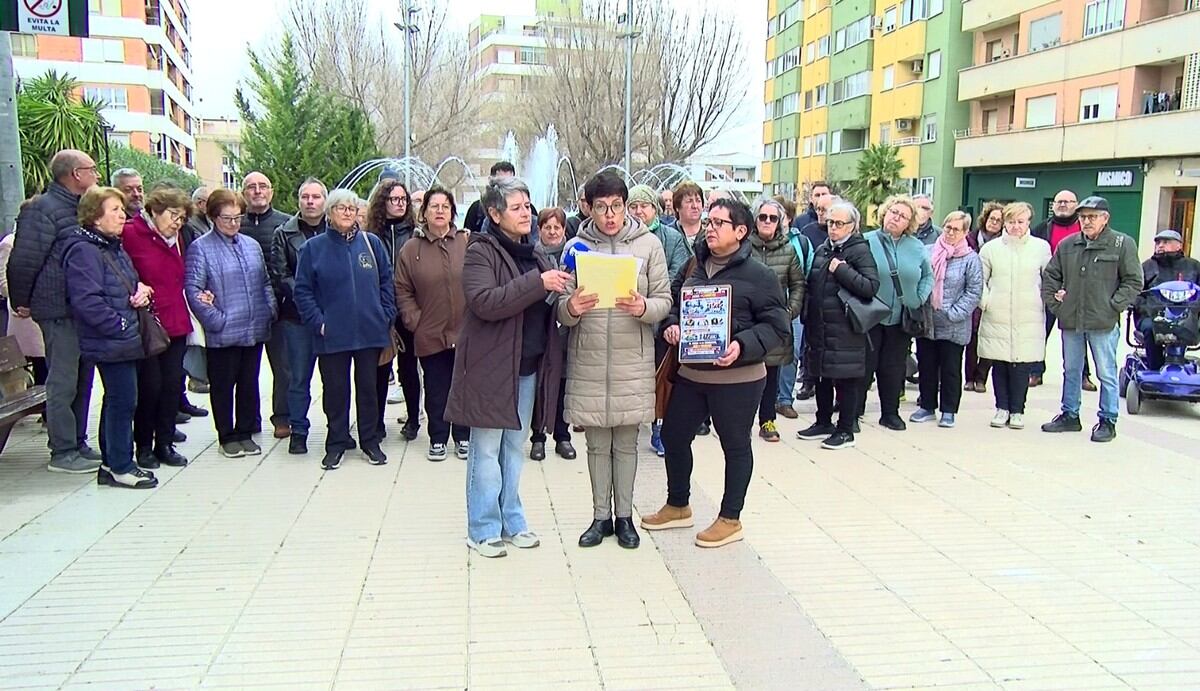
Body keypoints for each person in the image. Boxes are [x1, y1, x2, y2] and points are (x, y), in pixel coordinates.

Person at [641, 198, 790, 548]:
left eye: (720, 223)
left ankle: (730, 518)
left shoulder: (760, 275)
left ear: (741, 232)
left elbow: (778, 326)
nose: (710, 227)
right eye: (709, 221)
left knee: (735, 446)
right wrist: (672, 325)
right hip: (693, 376)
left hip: (738, 380)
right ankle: (678, 504)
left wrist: (741, 345)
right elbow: (674, 305)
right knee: (674, 437)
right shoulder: (695, 267)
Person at [446, 176, 572, 558]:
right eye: (516, 207)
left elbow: (541, 303)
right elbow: (486, 301)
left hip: (526, 366)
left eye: (527, 206)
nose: (526, 214)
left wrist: (568, 301)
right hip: (489, 366)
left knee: (514, 447)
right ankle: (482, 528)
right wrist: (539, 283)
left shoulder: (533, 253)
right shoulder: (480, 251)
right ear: (495, 213)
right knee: (485, 448)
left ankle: (512, 519)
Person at [558, 171, 672, 550]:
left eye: (617, 206)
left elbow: (665, 301)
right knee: (595, 445)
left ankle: (625, 517)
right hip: (589, 357)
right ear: (589, 208)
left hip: (631, 359)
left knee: (625, 444)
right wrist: (571, 308)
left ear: (627, 206)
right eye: (602, 207)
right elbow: (560, 306)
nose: (610, 215)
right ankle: (599, 517)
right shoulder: (575, 246)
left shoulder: (648, 245)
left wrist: (643, 307)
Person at [6, 149, 100, 474]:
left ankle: (77, 441)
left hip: (81, 309)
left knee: (83, 380)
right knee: (63, 380)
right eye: (92, 169)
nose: (97, 175)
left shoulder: (81, 208)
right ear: (75, 174)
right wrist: (21, 299)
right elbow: (23, 259)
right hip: (57, 308)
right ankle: (62, 450)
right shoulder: (43, 209)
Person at [294, 189, 396, 470]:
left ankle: (370, 441)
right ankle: (337, 442)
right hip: (332, 334)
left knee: (369, 389)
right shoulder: (314, 248)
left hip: (369, 331)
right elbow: (302, 291)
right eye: (341, 208)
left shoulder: (371, 243)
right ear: (329, 213)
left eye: (352, 208)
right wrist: (319, 321)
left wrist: (385, 315)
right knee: (336, 390)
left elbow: (387, 282)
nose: (348, 213)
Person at [62, 187, 156, 489]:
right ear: (94, 215)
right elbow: (87, 300)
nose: (122, 215)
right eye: (114, 209)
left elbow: (121, 286)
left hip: (122, 338)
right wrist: (120, 326)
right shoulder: (84, 250)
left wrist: (140, 292)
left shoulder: (111, 246)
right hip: (111, 339)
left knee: (119, 400)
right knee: (123, 402)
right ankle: (121, 466)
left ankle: (110, 464)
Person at [1041, 196, 1141, 442]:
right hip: (1072, 319)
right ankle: (1069, 415)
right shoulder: (1068, 245)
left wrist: (1113, 306)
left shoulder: (1121, 244)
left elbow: (1134, 281)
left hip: (1103, 322)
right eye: (1083, 217)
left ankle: (1108, 420)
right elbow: (1051, 276)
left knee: (1105, 372)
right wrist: (1057, 306)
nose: (1086, 221)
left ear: (1105, 218)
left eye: (1092, 217)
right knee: (1071, 370)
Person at [185, 188, 277, 458]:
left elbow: (264, 281)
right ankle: (227, 435)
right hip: (223, 330)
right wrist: (217, 320)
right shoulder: (201, 248)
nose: (234, 223)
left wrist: (269, 309)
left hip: (254, 326)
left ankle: (246, 431)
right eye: (227, 218)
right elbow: (193, 290)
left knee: (249, 383)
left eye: (238, 217)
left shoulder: (251, 245)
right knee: (224, 385)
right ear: (213, 217)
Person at [796, 200, 881, 450]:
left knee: (846, 379)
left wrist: (842, 270)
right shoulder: (824, 248)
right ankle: (823, 421)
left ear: (852, 226)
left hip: (846, 328)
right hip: (820, 325)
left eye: (839, 223)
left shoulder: (859, 250)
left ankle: (845, 429)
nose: (833, 228)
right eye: (830, 222)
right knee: (820, 374)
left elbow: (870, 287)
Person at [395, 186, 471, 461]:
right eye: (434, 206)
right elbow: (402, 289)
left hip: (465, 331)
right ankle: (438, 437)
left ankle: (463, 436)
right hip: (430, 332)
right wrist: (414, 320)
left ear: (452, 213)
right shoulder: (411, 249)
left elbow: (478, 281)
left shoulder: (465, 243)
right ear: (424, 212)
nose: (440, 211)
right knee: (437, 388)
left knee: (462, 387)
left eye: (445, 207)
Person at [121, 186, 194, 469]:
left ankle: (165, 442)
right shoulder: (131, 233)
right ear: (154, 210)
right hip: (148, 323)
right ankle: (144, 445)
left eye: (182, 217)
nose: (177, 222)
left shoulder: (178, 238)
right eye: (173, 215)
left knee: (171, 385)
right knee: (149, 387)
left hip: (175, 321)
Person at [858, 195, 933, 431]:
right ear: (884, 213)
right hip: (870, 316)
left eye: (902, 216)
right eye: (893, 211)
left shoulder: (916, 247)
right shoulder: (866, 241)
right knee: (864, 367)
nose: (896, 218)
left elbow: (928, 276)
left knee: (893, 368)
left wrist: (919, 297)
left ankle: (890, 413)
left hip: (901, 316)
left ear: (909, 223)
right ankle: (854, 412)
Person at [626, 184, 690, 456]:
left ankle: (659, 428)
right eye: (634, 206)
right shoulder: (622, 237)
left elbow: (677, 278)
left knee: (662, 378)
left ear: (655, 209)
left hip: (662, 320)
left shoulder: (672, 238)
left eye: (645, 206)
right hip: (630, 318)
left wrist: (654, 301)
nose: (639, 211)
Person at [977, 202, 1052, 430]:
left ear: (1028, 222)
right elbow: (980, 280)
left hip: (1028, 313)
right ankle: (1002, 408)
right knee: (999, 362)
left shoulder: (1041, 248)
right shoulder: (991, 249)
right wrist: (986, 302)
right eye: (1011, 222)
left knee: (1021, 364)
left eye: (1020, 222)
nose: (1015, 226)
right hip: (997, 312)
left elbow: (1049, 278)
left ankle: (1018, 410)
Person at [268, 178, 327, 455]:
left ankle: (336, 431)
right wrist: (308, 300)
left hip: (331, 318)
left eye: (316, 197)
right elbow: (281, 275)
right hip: (297, 317)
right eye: (306, 197)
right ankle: (298, 431)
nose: (311, 202)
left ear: (324, 201)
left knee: (334, 378)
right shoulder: (284, 233)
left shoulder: (337, 230)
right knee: (298, 378)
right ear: (298, 200)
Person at [909, 212, 983, 428]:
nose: (951, 232)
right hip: (928, 320)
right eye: (948, 227)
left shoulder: (970, 258)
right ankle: (927, 406)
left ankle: (949, 410)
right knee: (927, 365)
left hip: (954, 324)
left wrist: (954, 313)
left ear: (965, 232)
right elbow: (919, 278)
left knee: (950, 369)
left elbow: (974, 291)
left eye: (956, 229)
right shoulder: (929, 251)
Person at [366, 178, 422, 440]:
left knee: (409, 367)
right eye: (394, 199)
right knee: (379, 367)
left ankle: (413, 419)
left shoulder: (414, 233)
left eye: (403, 200)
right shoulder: (370, 235)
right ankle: (375, 422)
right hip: (378, 310)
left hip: (408, 308)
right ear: (382, 202)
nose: (400, 204)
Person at [239, 172, 292, 439]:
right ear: (243, 192)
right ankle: (247, 422)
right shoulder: (234, 224)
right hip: (242, 309)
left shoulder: (285, 224)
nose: (257, 191)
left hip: (278, 309)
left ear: (271, 192)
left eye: (263, 186)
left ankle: (282, 417)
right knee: (245, 370)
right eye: (251, 187)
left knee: (282, 367)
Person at [748, 198, 805, 440]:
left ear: (780, 222)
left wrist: (789, 312)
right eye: (763, 217)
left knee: (771, 373)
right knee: (745, 373)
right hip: (746, 321)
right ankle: (740, 421)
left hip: (774, 322)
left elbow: (798, 284)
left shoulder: (788, 249)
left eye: (773, 218)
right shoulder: (743, 247)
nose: (767, 222)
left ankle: (768, 421)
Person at [1031, 189, 1094, 390]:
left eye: (1068, 201)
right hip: (1049, 289)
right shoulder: (1041, 228)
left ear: (1076, 204)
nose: (1063, 205)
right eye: (1059, 201)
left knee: (1079, 335)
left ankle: (1084, 376)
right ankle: (1035, 372)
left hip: (1078, 290)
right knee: (1040, 332)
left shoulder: (1085, 228)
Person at [529, 207, 576, 461]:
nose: (552, 231)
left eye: (557, 227)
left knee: (563, 385)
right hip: (540, 329)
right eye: (547, 227)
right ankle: (538, 437)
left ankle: (563, 435)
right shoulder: (532, 256)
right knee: (540, 385)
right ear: (539, 230)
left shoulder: (574, 256)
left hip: (567, 332)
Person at [1137, 229, 1200, 369]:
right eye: (1158, 242)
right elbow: (1135, 292)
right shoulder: (1147, 266)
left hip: (1186, 315)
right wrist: (1144, 307)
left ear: (1179, 246)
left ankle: (1178, 366)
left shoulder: (1194, 266)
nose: (1160, 245)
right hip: (1152, 314)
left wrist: (1194, 308)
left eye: (1165, 242)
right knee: (1150, 328)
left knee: (1187, 326)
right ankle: (1155, 368)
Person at [0, 218, 47, 385]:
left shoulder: (43, 241)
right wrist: (27, 300)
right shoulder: (9, 243)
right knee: (38, 364)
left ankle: (47, 410)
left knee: (46, 367)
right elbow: (4, 283)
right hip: (23, 315)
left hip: (43, 314)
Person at [964, 201, 1004, 392]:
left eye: (999, 220)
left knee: (989, 336)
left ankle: (981, 377)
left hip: (994, 293)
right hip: (971, 291)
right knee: (972, 337)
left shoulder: (1003, 244)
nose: (994, 222)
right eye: (992, 218)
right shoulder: (970, 239)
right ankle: (969, 378)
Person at [674, 181, 706, 249]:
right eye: (689, 201)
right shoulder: (667, 235)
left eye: (698, 201)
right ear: (677, 206)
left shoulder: (710, 233)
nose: (695, 206)